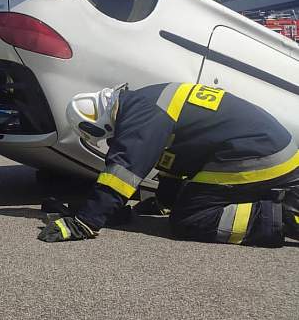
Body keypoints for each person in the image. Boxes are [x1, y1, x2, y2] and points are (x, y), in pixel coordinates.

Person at [38, 82, 299, 247]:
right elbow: (178, 157)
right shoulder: (147, 101)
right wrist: (163, 200)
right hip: (265, 147)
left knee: (190, 218)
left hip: (260, 152)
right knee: (187, 203)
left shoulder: (142, 114)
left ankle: (283, 218)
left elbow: (123, 171)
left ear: (98, 125)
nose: (112, 140)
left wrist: (85, 222)